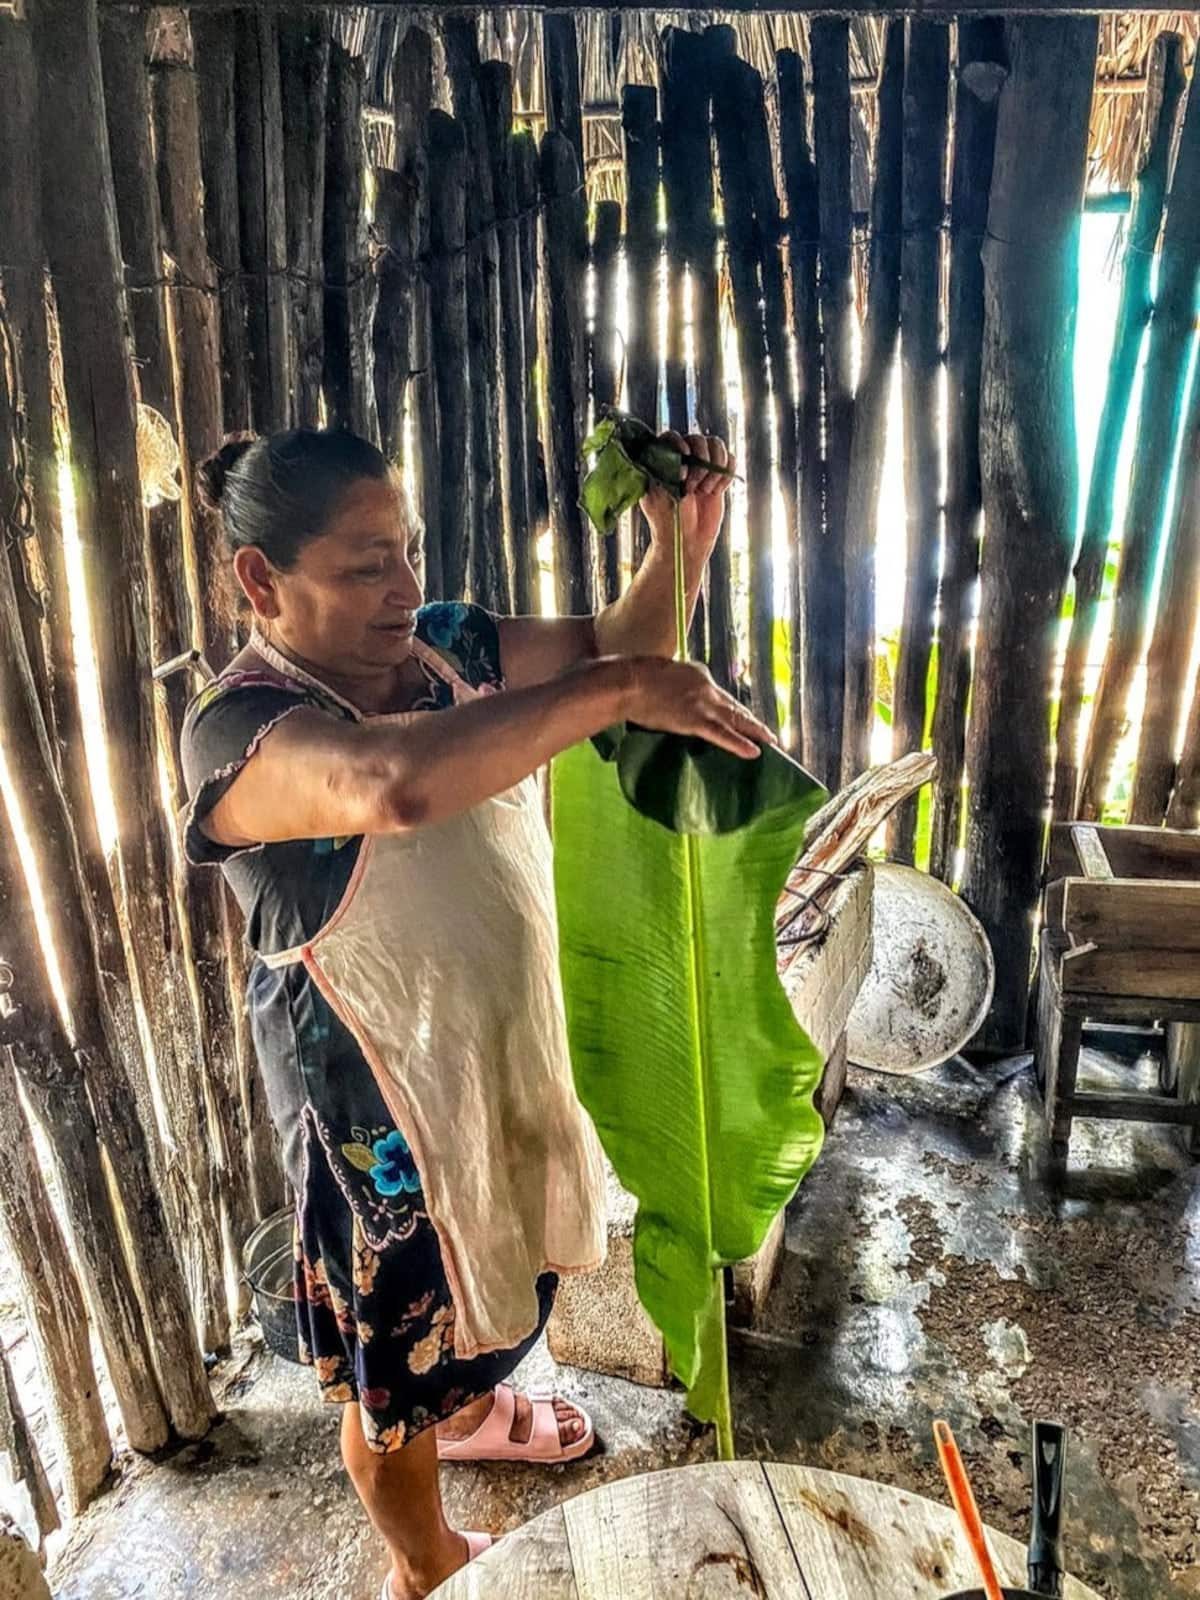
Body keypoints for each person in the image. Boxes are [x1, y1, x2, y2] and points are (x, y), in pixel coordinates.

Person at [181, 425, 768, 1600]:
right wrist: (618, 688)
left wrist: (677, 547)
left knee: (496, 1267)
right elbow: (389, 785)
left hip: (496, 1047)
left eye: (406, 552)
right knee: (388, 1383)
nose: (405, 589)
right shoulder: (241, 730)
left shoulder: (449, 647)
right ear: (262, 580)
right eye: (364, 566)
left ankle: (481, 1402)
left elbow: (615, 644)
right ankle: (425, 1562)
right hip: (379, 1125)